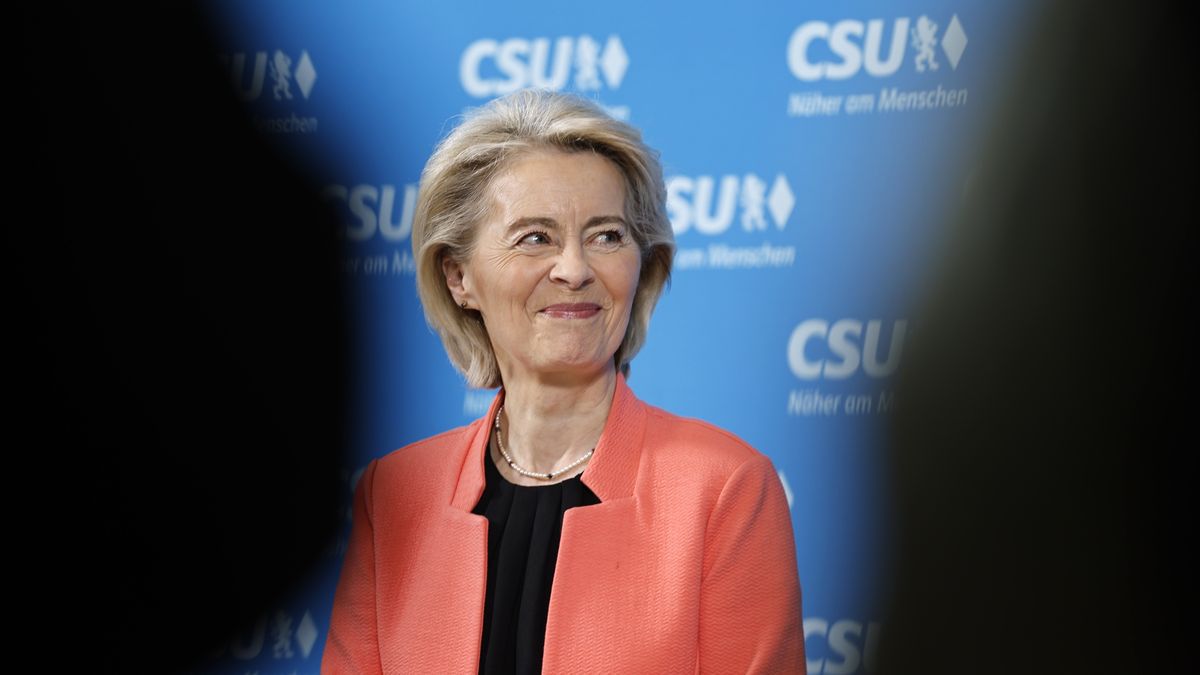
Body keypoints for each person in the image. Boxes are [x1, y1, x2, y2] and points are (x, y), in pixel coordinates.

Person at [322, 90, 804, 674]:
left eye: (606, 236)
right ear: (459, 277)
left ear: (642, 265)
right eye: (535, 237)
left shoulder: (724, 489)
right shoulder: (392, 493)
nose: (575, 269)